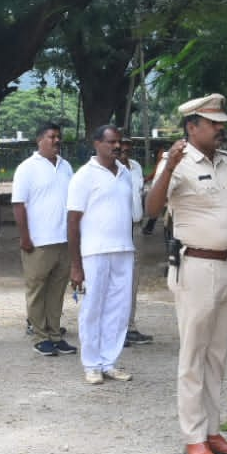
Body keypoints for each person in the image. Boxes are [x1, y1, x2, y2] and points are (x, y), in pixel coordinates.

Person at [144, 94, 227, 454]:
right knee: (193, 355)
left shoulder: (226, 163)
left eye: (221, 121)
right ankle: (193, 436)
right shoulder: (177, 162)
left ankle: (213, 431)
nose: (221, 128)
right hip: (196, 269)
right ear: (192, 127)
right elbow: (152, 210)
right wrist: (169, 168)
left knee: (217, 355)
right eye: (213, 123)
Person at [69, 124, 139, 384]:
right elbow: (73, 221)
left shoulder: (125, 173)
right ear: (96, 143)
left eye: (119, 142)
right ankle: (92, 364)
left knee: (118, 309)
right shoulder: (84, 176)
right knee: (92, 309)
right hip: (94, 252)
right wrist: (75, 265)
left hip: (123, 250)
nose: (117, 146)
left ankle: (110, 361)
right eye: (111, 142)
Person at [13, 122, 76, 358]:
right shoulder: (27, 168)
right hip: (38, 241)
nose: (57, 140)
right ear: (40, 140)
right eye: (52, 137)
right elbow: (18, 205)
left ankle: (55, 335)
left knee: (57, 290)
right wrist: (25, 237)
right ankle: (40, 337)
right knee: (37, 290)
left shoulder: (66, 166)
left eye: (59, 137)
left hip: (63, 240)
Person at [116, 137, 153, 346]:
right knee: (116, 279)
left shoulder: (136, 167)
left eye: (128, 145)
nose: (124, 149)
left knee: (133, 279)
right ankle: (115, 329)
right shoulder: (108, 169)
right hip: (116, 229)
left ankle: (129, 326)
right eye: (121, 144)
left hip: (135, 227)